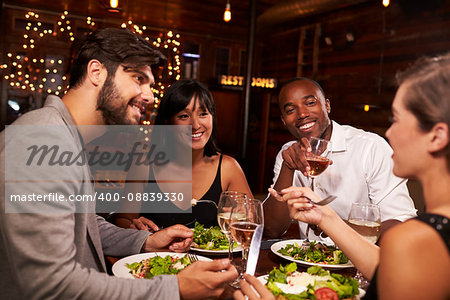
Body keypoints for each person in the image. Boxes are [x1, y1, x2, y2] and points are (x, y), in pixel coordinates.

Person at [0, 28, 237, 300]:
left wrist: (145, 241)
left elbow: (86, 226)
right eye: (138, 78)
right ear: (96, 73)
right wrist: (174, 289)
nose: (149, 96)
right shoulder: (40, 139)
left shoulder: (64, 138)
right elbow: (50, 285)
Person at [238, 53, 450, 300]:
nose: (389, 132)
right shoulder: (423, 238)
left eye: (396, 120)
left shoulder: (412, 241)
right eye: (291, 109)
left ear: (437, 137)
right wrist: (325, 217)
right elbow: (384, 269)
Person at [263, 77, 417, 240]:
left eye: (310, 103)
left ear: (327, 106)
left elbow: (401, 224)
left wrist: (330, 223)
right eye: (290, 110)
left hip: (359, 263)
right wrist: (288, 166)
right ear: (283, 121)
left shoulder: (370, 148)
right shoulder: (288, 153)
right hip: (304, 262)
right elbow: (272, 229)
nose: (302, 114)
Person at [115, 79, 254, 230]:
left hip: (213, 255)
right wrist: (133, 226)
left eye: (203, 114)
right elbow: (123, 220)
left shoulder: (228, 168)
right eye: (184, 116)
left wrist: (244, 218)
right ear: (168, 122)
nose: (195, 125)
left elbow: (252, 221)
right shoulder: (144, 165)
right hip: (159, 254)